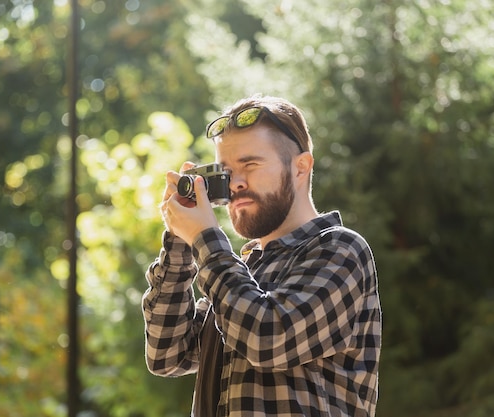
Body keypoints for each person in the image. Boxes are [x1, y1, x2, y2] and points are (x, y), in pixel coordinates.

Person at [142, 95, 381, 417]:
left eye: (250, 165)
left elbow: (267, 339)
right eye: (225, 172)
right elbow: (167, 355)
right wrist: (178, 240)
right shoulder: (238, 274)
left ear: (301, 167)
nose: (235, 184)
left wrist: (205, 239)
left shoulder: (340, 250)